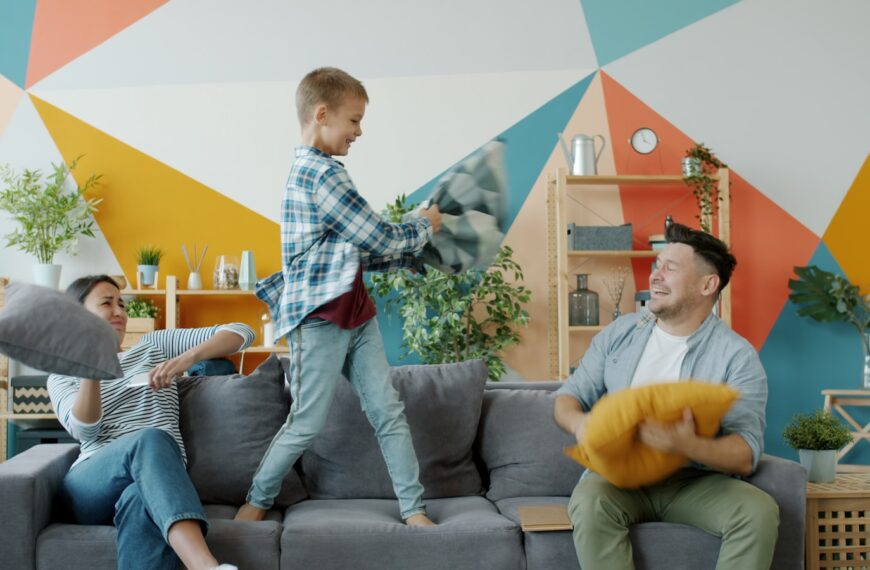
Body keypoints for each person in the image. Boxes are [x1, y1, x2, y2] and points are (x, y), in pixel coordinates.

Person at [235, 67, 441, 526]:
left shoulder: (325, 173)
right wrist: (424, 224)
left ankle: (414, 509)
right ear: (322, 113)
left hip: (356, 315)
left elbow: (356, 253)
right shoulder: (319, 176)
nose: (359, 131)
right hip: (321, 321)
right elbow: (382, 238)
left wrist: (413, 245)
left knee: (388, 413)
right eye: (354, 120)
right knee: (306, 423)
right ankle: (255, 503)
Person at [553, 223, 779, 569]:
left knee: (757, 511)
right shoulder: (619, 334)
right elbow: (567, 398)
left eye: (669, 268)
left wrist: (688, 445)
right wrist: (582, 424)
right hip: (618, 478)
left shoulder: (737, 356)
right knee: (589, 500)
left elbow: (746, 452)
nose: (655, 276)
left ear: (708, 284)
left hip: (693, 480)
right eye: (657, 265)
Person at [47, 275, 255, 570]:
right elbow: (86, 430)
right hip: (91, 484)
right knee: (150, 438)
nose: (119, 311)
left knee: (139, 499)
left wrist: (186, 359)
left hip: (156, 482)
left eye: (121, 303)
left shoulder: (153, 347)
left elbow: (243, 332)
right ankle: (206, 567)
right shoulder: (62, 376)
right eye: (107, 303)